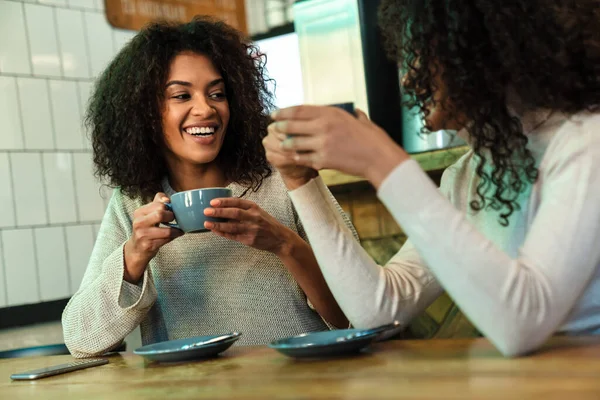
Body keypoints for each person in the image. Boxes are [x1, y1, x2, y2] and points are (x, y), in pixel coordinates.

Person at [263, 0, 600, 357]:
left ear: (481, 51)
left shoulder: (587, 141)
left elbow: (522, 324)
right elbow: (379, 313)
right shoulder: (468, 174)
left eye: (425, 54)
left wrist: (381, 161)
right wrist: (302, 183)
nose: (410, 78)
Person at [62, 16, 355, 358]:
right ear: (143, 112)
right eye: (181, 95)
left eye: (217, 93)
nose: (205, 109)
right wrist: (133, 257)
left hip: (302, 386)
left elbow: (358, 311)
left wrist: (283, 243)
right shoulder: (132, 203)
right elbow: (82, 341)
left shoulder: (286, 176)